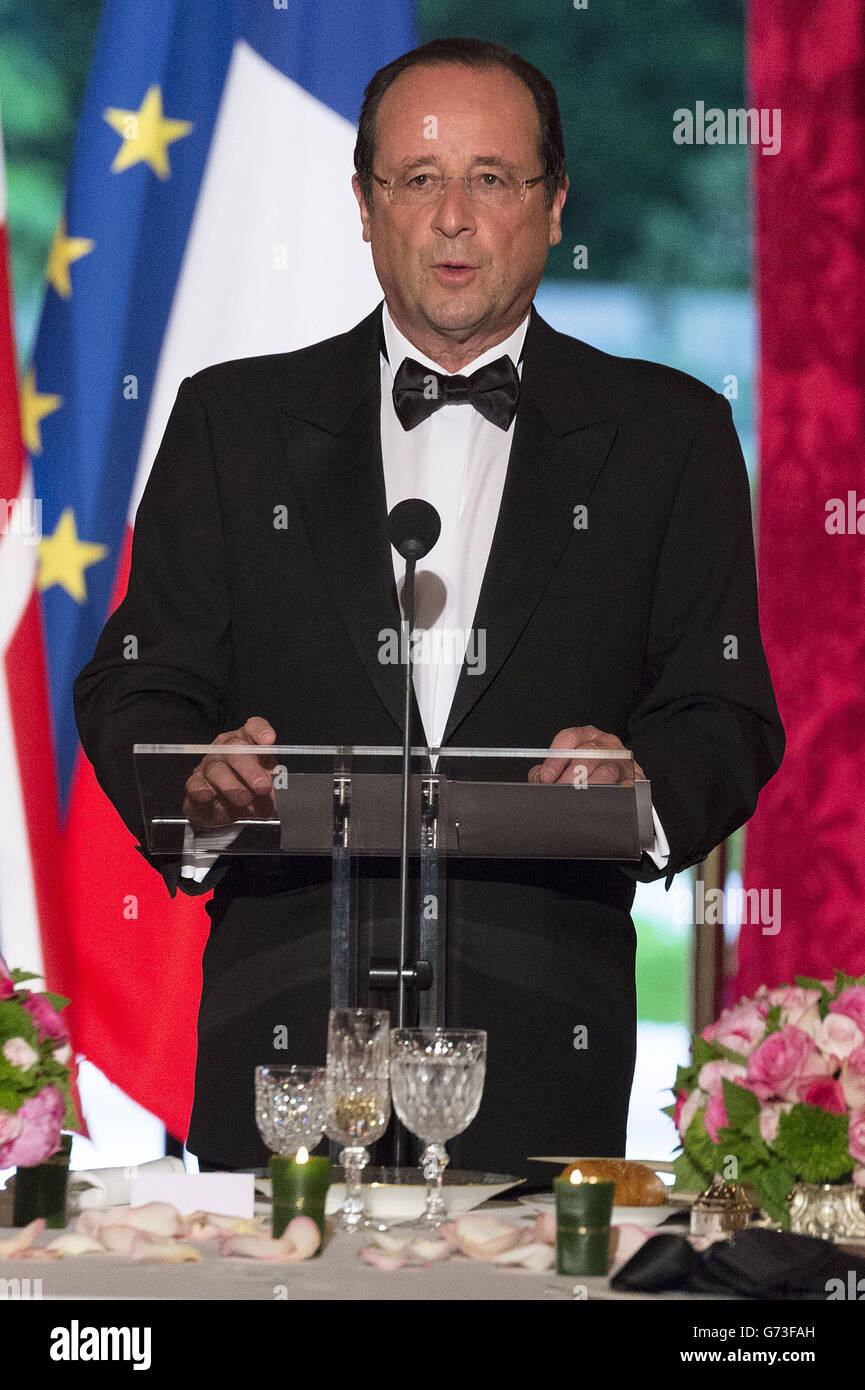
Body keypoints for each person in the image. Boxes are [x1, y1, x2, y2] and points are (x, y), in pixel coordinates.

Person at [73, 37, 785, 1180]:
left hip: (547, 1047)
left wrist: (636, 781)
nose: (453, 218)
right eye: (416, 179)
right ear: (364, 206)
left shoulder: (671, 436)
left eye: (493, 179)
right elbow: (133, 679)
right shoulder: (232, 422)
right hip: (283, 1048)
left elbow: (727, 711)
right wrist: (196, 773)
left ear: (553, 206)